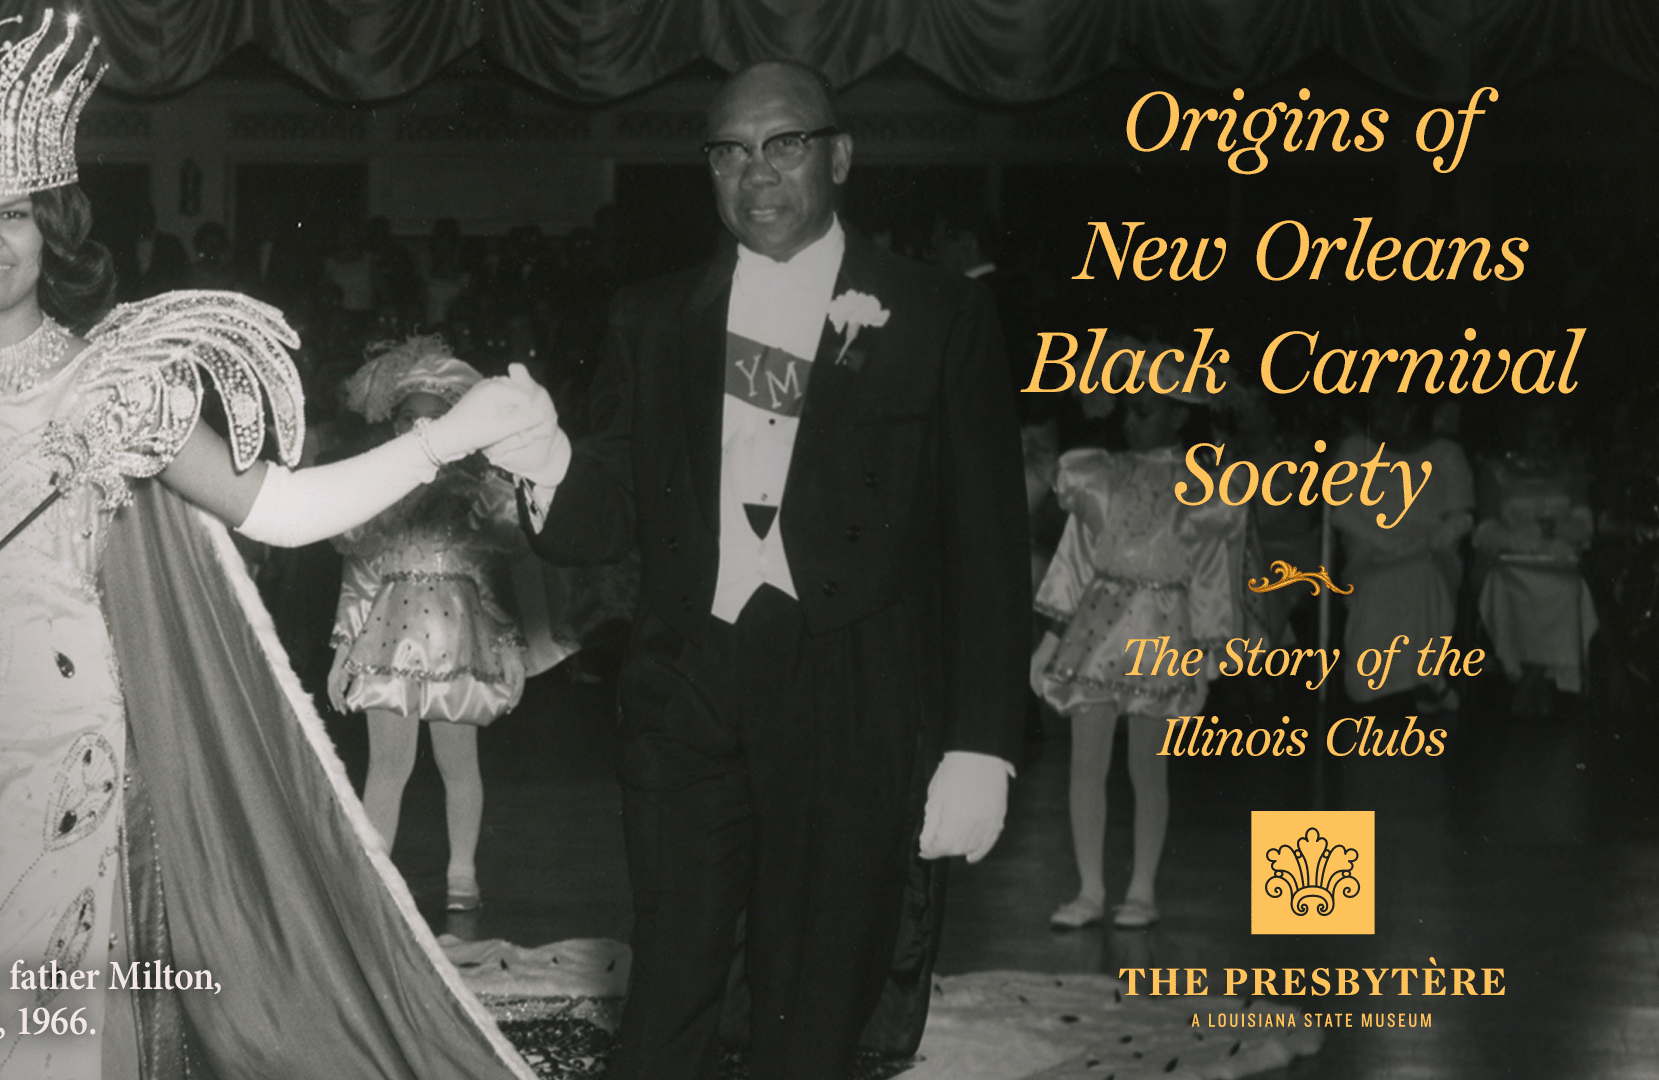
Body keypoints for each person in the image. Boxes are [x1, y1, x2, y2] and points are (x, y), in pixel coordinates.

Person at [0, 10, 549, 1077]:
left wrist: (439, 439)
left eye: (12, 215)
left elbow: (281, 508)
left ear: (56, 226)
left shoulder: (122, 383)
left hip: (62, 751)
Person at [487, 60, 1028, 1080]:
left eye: (784, 145)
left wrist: (981, 746)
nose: (757, 173)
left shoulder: (932, 314)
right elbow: (605, 512)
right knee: (669, 996)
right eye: (730, 152)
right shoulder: (652, 318)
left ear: (839, 156)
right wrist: (548, 459)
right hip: (687, 688)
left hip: (854, 694)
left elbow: (991, 547)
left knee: (816, 1003)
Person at [1032, 383, 1249, 930]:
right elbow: (1074, 560)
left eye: (1144, 412)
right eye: (1127, 411)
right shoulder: (1100, 475)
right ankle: (1090, 888)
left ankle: (1143, 888)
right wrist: (1050, 639)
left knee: (1148, 766)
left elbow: (1209, 578)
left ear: (1179, 418)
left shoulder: (1203, 487)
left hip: (1161, 628)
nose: (1130, 422)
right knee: (1087, 760)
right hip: (1099, 625)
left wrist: (1206, 655)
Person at [328, 338, 528, 911]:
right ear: (395, 428)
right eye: (410, 420)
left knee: (457, 761)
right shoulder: (379, 489)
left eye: (435, 420)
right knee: (388, 764)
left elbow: (491, 579)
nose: (420, 430)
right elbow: (359, 576)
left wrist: (510, 645)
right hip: (388, 637)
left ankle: (462, 872)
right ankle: (374, 874)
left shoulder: (475, 494)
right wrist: (343, 647)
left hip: (458, 642)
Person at [1333, 392, 1474, 708]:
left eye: (1387, 402)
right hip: (1371, 551)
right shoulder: (1355, 449)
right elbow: (1340, 510)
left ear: (1410, 409)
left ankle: (1423, 678)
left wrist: (1431, 540)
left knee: (1421, 573)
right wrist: (1388, 543)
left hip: (1431, 550)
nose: (1378, 409)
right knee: (1383, 580)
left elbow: (1462, 516)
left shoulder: (1445, 453)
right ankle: (1379, 685)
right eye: (1374, 403)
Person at [1474, 402, 1597, 717]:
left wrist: (1554, 530)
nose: (1544, 433)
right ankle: (1532, 678)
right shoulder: (1497, 469)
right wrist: (1517, 539)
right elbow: (1485, 527)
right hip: (1511, 561)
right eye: (1536, 425)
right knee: (1503, 588)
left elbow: (1584, 524)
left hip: (1557, 559)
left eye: (1550, 425)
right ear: (1520, 429)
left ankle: (1530, 681)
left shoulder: (1571, 468)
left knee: (1568, 591)